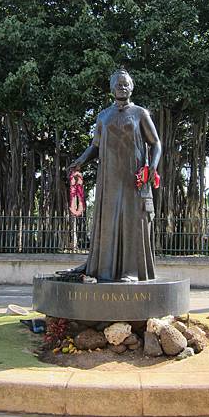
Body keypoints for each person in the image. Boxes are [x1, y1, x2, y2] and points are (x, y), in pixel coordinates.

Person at [68, 69, 161, 281]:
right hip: (109, 179)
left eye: (126, 84)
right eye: (118, 84)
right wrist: (81, 160)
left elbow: (155, 143)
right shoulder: (103, 116)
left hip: (134, 178)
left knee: (132, 223)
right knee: (107, 223)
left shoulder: (140, 113)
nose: (122, 87)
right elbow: (95, 146)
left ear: (132, 86)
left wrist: (153, 166)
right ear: (111, 88)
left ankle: (131, 272)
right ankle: (103, 269)